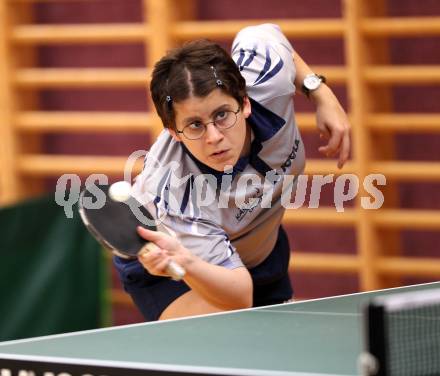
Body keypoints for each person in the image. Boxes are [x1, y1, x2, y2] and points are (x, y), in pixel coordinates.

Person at [114, 23, 350, 321]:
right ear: (174, 131)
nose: (214, 137)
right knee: (214, 350)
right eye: (195, 125)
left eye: (222, 115)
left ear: (246, 102)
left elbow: (268, 36)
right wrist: (184, 260)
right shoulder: (172, 191)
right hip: (173, 268)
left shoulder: (266, 80)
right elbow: (238, 296)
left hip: (260, 248)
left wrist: (320, 93)